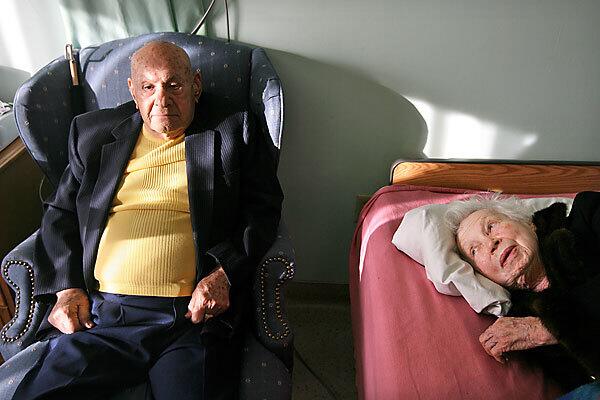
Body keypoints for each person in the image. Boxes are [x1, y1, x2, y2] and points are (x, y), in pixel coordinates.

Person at [13, 41, 283, 399]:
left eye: (174, 85)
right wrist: (67, 289)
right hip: (103, 317)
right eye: (149, 87)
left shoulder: (234, 130)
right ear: (132, 91)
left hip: (190, 319)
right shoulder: (92, 134)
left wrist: (224, 274)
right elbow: (60, 212)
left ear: (196, 85)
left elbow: (263, 208)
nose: (163, 100)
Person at [445, 192, 600, 397]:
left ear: (528, 223)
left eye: (491, 226)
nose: (491, 244)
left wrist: (543, 329)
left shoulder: (587, 211)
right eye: (475, 250)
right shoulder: (516, 324)